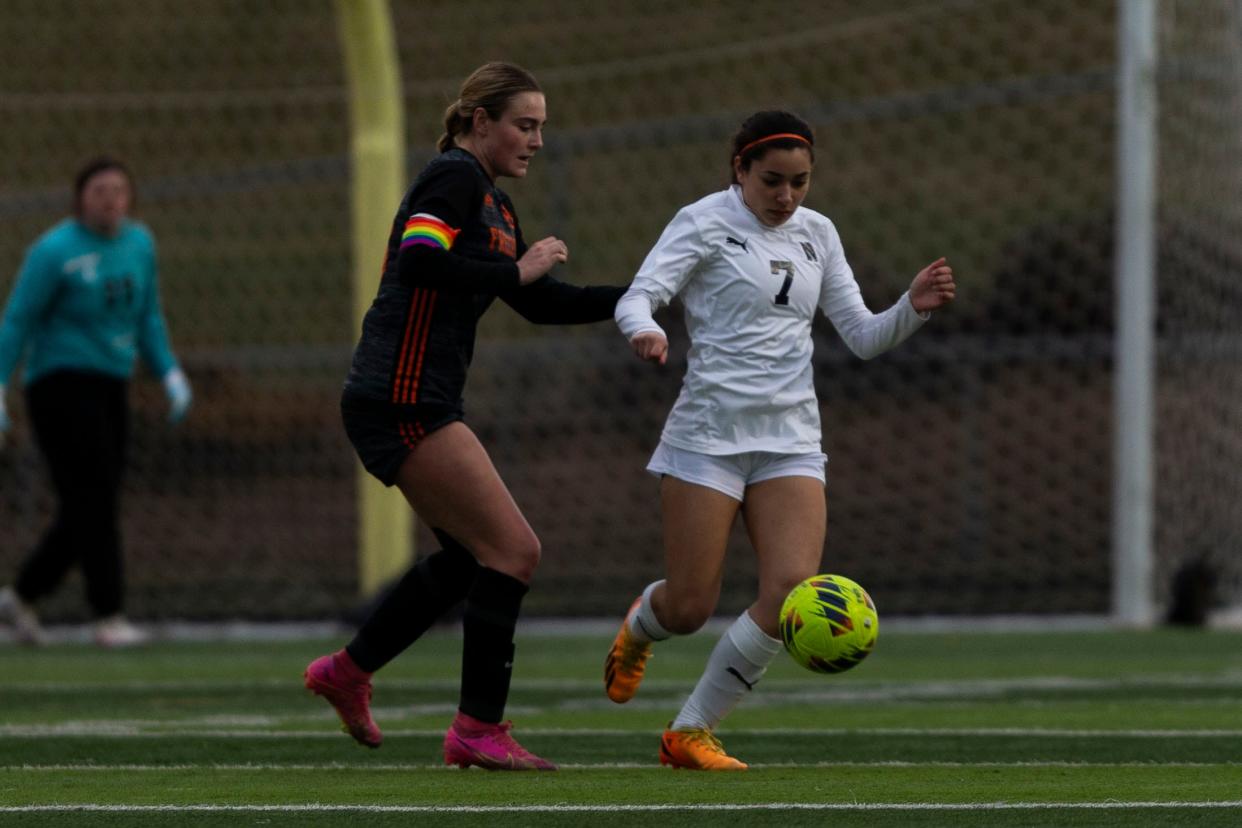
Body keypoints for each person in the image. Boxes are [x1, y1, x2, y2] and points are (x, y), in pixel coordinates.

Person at [605, 110, 956, 770]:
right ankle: (641, 627)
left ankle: (689, 732)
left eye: (800, 182)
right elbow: (638, 296)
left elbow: (862, 336)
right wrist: (644, 330)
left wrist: (911, 308)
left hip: (791, 438)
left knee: (791, 588)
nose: (787, 196)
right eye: (772, 181)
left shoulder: (818, 233)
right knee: (689, 606)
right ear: (739, 170)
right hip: (708, 437)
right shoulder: (703, 221)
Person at [303, 62, 624, 771]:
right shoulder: (452, 179)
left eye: (542, 126)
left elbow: (541, 303)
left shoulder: (495, 205)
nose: (537, 140)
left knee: (466, 560)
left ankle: (347, 673)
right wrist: (517, 271)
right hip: (401, 396)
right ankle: (478, 729)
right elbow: (420, 260)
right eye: (525, 124)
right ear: (480, 123)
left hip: (415, 396)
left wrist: (643, 297)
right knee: (513, 552)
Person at [0, 157, 192, 648]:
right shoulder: (54, 251)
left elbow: (147, 314)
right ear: (80, 196)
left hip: (111, 384)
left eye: (119, 190)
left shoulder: (139, 243)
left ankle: (21, 594)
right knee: (94, 499)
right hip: (60, 385)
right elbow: (18, 319)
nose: (110, 199)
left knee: (90, 502)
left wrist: (168, 371)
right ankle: (108, 615)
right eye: (100, 190)